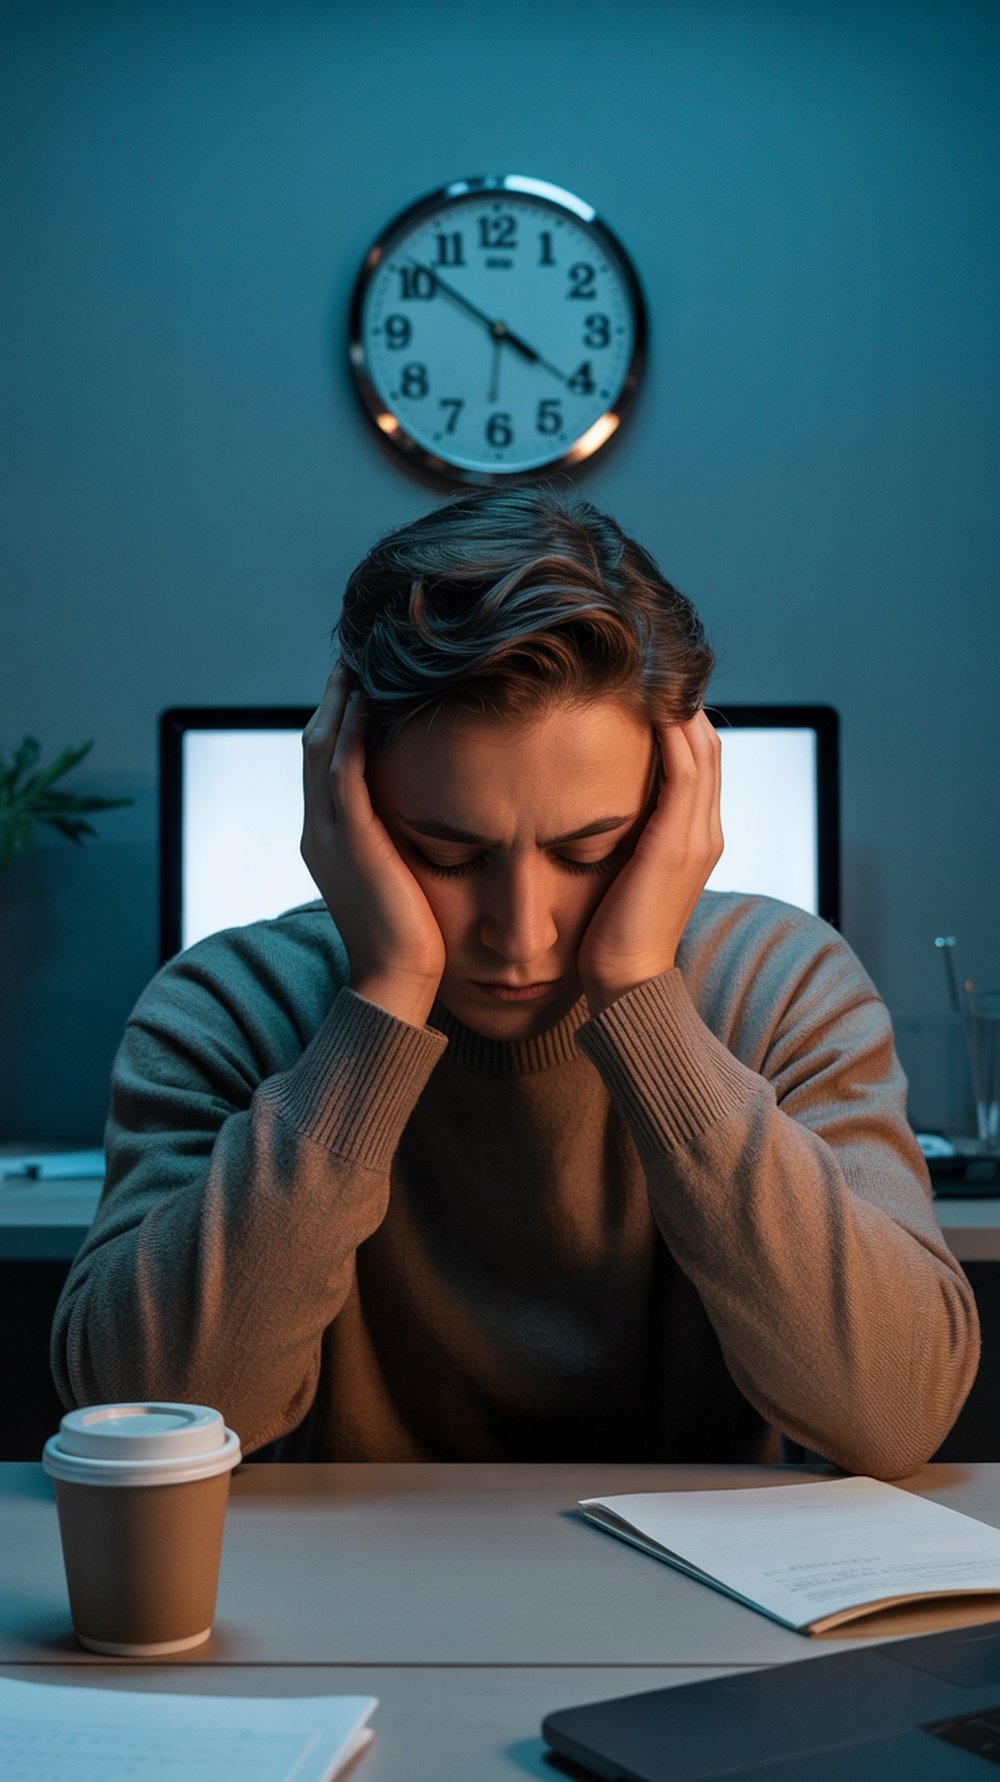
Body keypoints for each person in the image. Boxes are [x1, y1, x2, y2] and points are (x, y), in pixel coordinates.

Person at [51, 486, 978, 1475]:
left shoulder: (780, 985)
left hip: (710, 1625)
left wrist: (639, 997)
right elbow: (144, 1415)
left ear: (679, 803)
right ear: (345, 805)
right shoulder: (229, 1005)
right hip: (330, 1621)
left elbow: (892, 1413)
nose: (520, 935)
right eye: (443, 855)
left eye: (590, 854)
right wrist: (381, 1007)